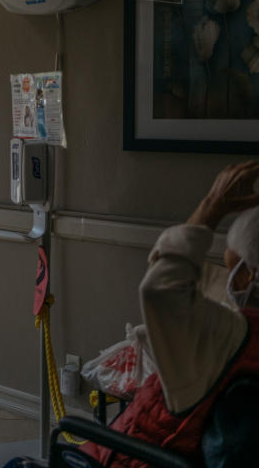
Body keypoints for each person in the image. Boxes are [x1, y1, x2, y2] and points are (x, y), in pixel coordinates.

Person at [80, 161, 259, 467]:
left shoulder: (232, 339)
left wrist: (212, 205)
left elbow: (161, 288)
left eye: (231, 268)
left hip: (130, 457)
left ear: (248, 277)